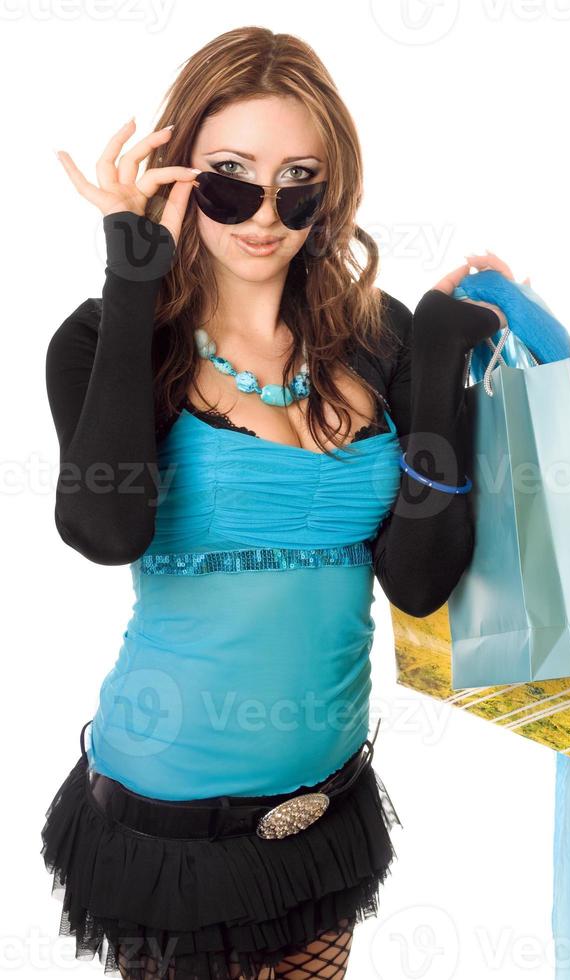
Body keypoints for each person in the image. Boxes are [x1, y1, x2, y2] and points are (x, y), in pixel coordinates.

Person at [41, 26, 513, 980]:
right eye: (227, 177)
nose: (264, 212)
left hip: (323, 802)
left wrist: (432, 371)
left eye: (298, 179)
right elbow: (105, 527)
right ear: (177, 176)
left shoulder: (373, 337)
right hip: (170, 822)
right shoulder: (108, 341)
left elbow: (418, 584)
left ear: (330, 192)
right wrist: (134, 275)